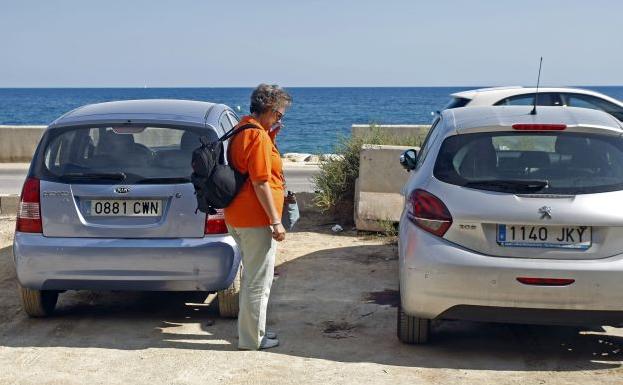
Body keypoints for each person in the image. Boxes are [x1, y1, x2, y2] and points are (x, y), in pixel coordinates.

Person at [224, 84, 292, 350]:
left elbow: (250, 163)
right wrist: (275, 221)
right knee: (258, 282)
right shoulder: (258, 137)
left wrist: (270, 136)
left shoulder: (245, 128)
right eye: (279, 114)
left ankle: (254, 332)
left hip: (238, 215)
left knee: (252, 277)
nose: (280, 118)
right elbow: (261, 181)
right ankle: (252, 340)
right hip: (255, 219)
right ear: (269, 109)